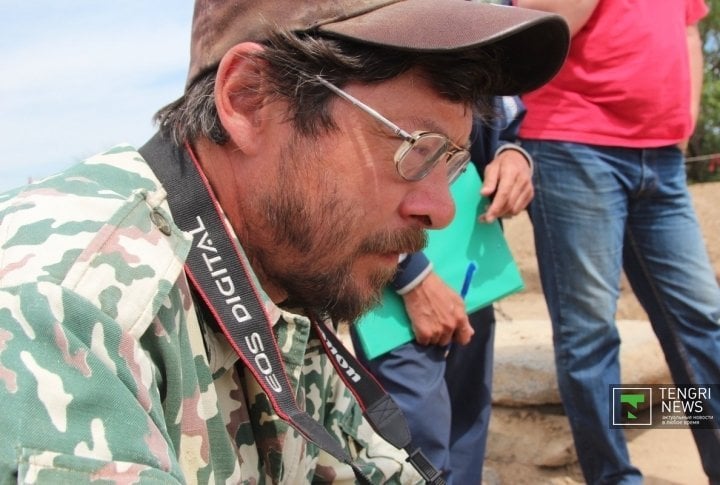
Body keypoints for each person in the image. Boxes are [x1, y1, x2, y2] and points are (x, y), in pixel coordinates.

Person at [0, 1, 570, 483]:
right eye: (415, 148)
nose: (442, 211)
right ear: (251, 100)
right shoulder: (59, 304)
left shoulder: (281, 273)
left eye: (450, 163)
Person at [514, 0, 720, 483]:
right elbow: (544, 27)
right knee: (590, 333)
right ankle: (613, 476)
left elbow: (689, 30)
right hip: (574, 143)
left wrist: (684, 122)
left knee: (702, 322)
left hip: (663, 156)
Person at [351, 95, 533, 484]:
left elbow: (500, 117)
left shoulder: (487, 53)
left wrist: (512, 153)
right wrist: (411, 275)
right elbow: (348, 152)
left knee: (467, 423)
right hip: (390, 286)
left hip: (468, 265)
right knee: (416, 447)